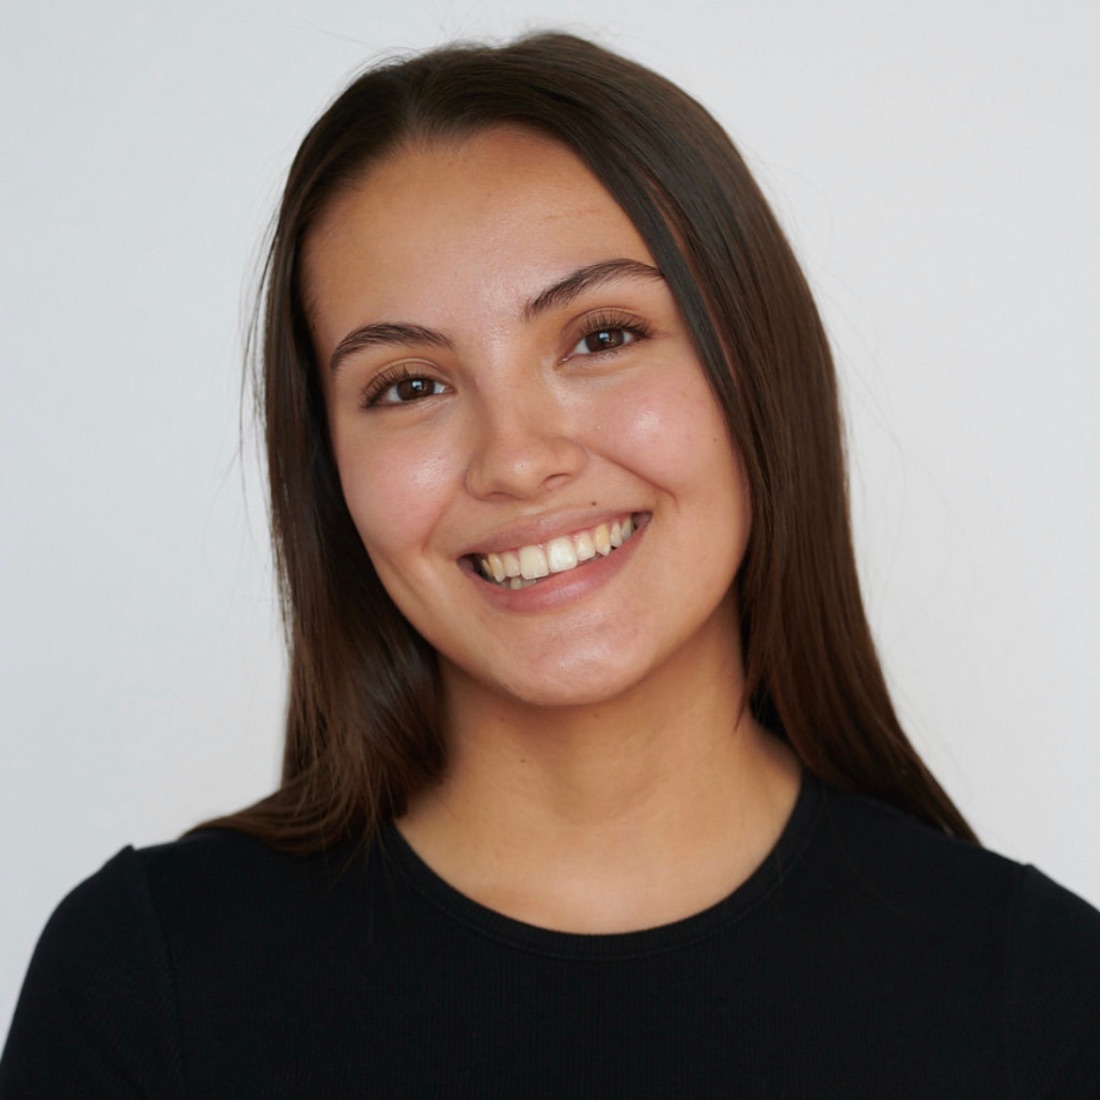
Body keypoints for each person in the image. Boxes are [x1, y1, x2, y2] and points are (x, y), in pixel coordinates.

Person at [2, 31, 1098, 1098]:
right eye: (408, 385)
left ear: (754, 370)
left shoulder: (1042, 1000)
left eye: (600, 335)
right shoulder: (149, 986)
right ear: (328, 472)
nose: (518, 461)